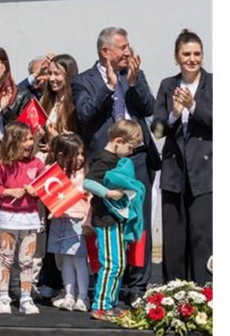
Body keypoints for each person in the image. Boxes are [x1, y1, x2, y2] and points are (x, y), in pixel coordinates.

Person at [72, 26, 159, 302]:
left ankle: (137, 286)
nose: (128, 51)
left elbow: (148, 109)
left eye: (128, 46)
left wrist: (133, 83)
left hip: (137, 159)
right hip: (106, 163)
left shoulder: (133, 74)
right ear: (105, 51)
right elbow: (85, 115)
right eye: (122, 47)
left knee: (138, 221)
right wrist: (109, 86)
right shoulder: (83, 81)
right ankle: (108, 284)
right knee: (109, 222)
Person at [151, 29, 212, 284]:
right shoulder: (168, 85)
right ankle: (175, 295)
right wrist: (174, 113)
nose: (192, 59)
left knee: (202, 238)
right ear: (177, 57)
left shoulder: (215, 84)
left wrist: (193, 107)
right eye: (186, 54)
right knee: (174, 240)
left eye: (197, 53)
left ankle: (206, 294)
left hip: (204, 173)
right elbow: (157, 130)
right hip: (174, 173)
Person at [82, 120, 144, 321]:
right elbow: (89, 182)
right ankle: (100, 305)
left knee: (119, 263)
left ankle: (110, 302)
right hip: (106, 220)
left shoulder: (113, 158)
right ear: (118, 141)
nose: (131, 152)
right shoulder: (105, 159)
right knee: (111, 263)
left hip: (114, 219)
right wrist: (108, 193)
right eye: (129, 147)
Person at [0, 122, 44, 315]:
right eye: (24, 139)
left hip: (30, 218)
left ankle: (26, 297)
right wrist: (8, 191)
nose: (29, 143)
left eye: (30, 139)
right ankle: (3, 296)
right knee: (6, 259)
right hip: (8, 218)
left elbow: (47, 186)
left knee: (27, 260)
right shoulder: (1, 164)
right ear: (13, 142)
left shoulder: (36, 163)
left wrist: (36, 191)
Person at [45, 133, 91, 313]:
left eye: (81, 154)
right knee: (64, 260)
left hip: (77, 220)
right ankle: (69, 294)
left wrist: (88, 222)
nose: (80, 158)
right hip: (59, 220)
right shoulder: (54, 172)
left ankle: (83, 296)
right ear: (62, 155)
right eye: (75, 154)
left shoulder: (85, 172)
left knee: (79, 260)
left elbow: (89, 197)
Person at [39, 54, 80, 150]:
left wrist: (57, 138)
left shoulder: (76, 101)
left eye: (57, 74)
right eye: (49, 73)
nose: (52, 78)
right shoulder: (46, 100)